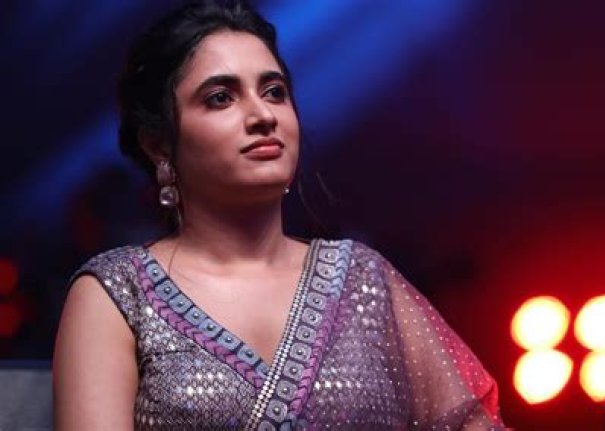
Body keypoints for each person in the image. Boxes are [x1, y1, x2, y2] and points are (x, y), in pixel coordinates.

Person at [53, 1, 505, 429]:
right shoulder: (119, 294)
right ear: (159, 144)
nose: (262, 115)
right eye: (220, 98)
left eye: (274, 92)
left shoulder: (364, 280)